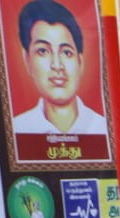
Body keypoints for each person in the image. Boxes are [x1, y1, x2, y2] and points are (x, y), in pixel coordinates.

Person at [11, 0, 107, 135]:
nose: (57, 65)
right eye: (43, 51)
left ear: (80, 62)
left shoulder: (105, 130)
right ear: (27, 60)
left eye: (66, 52)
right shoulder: (16, 130)